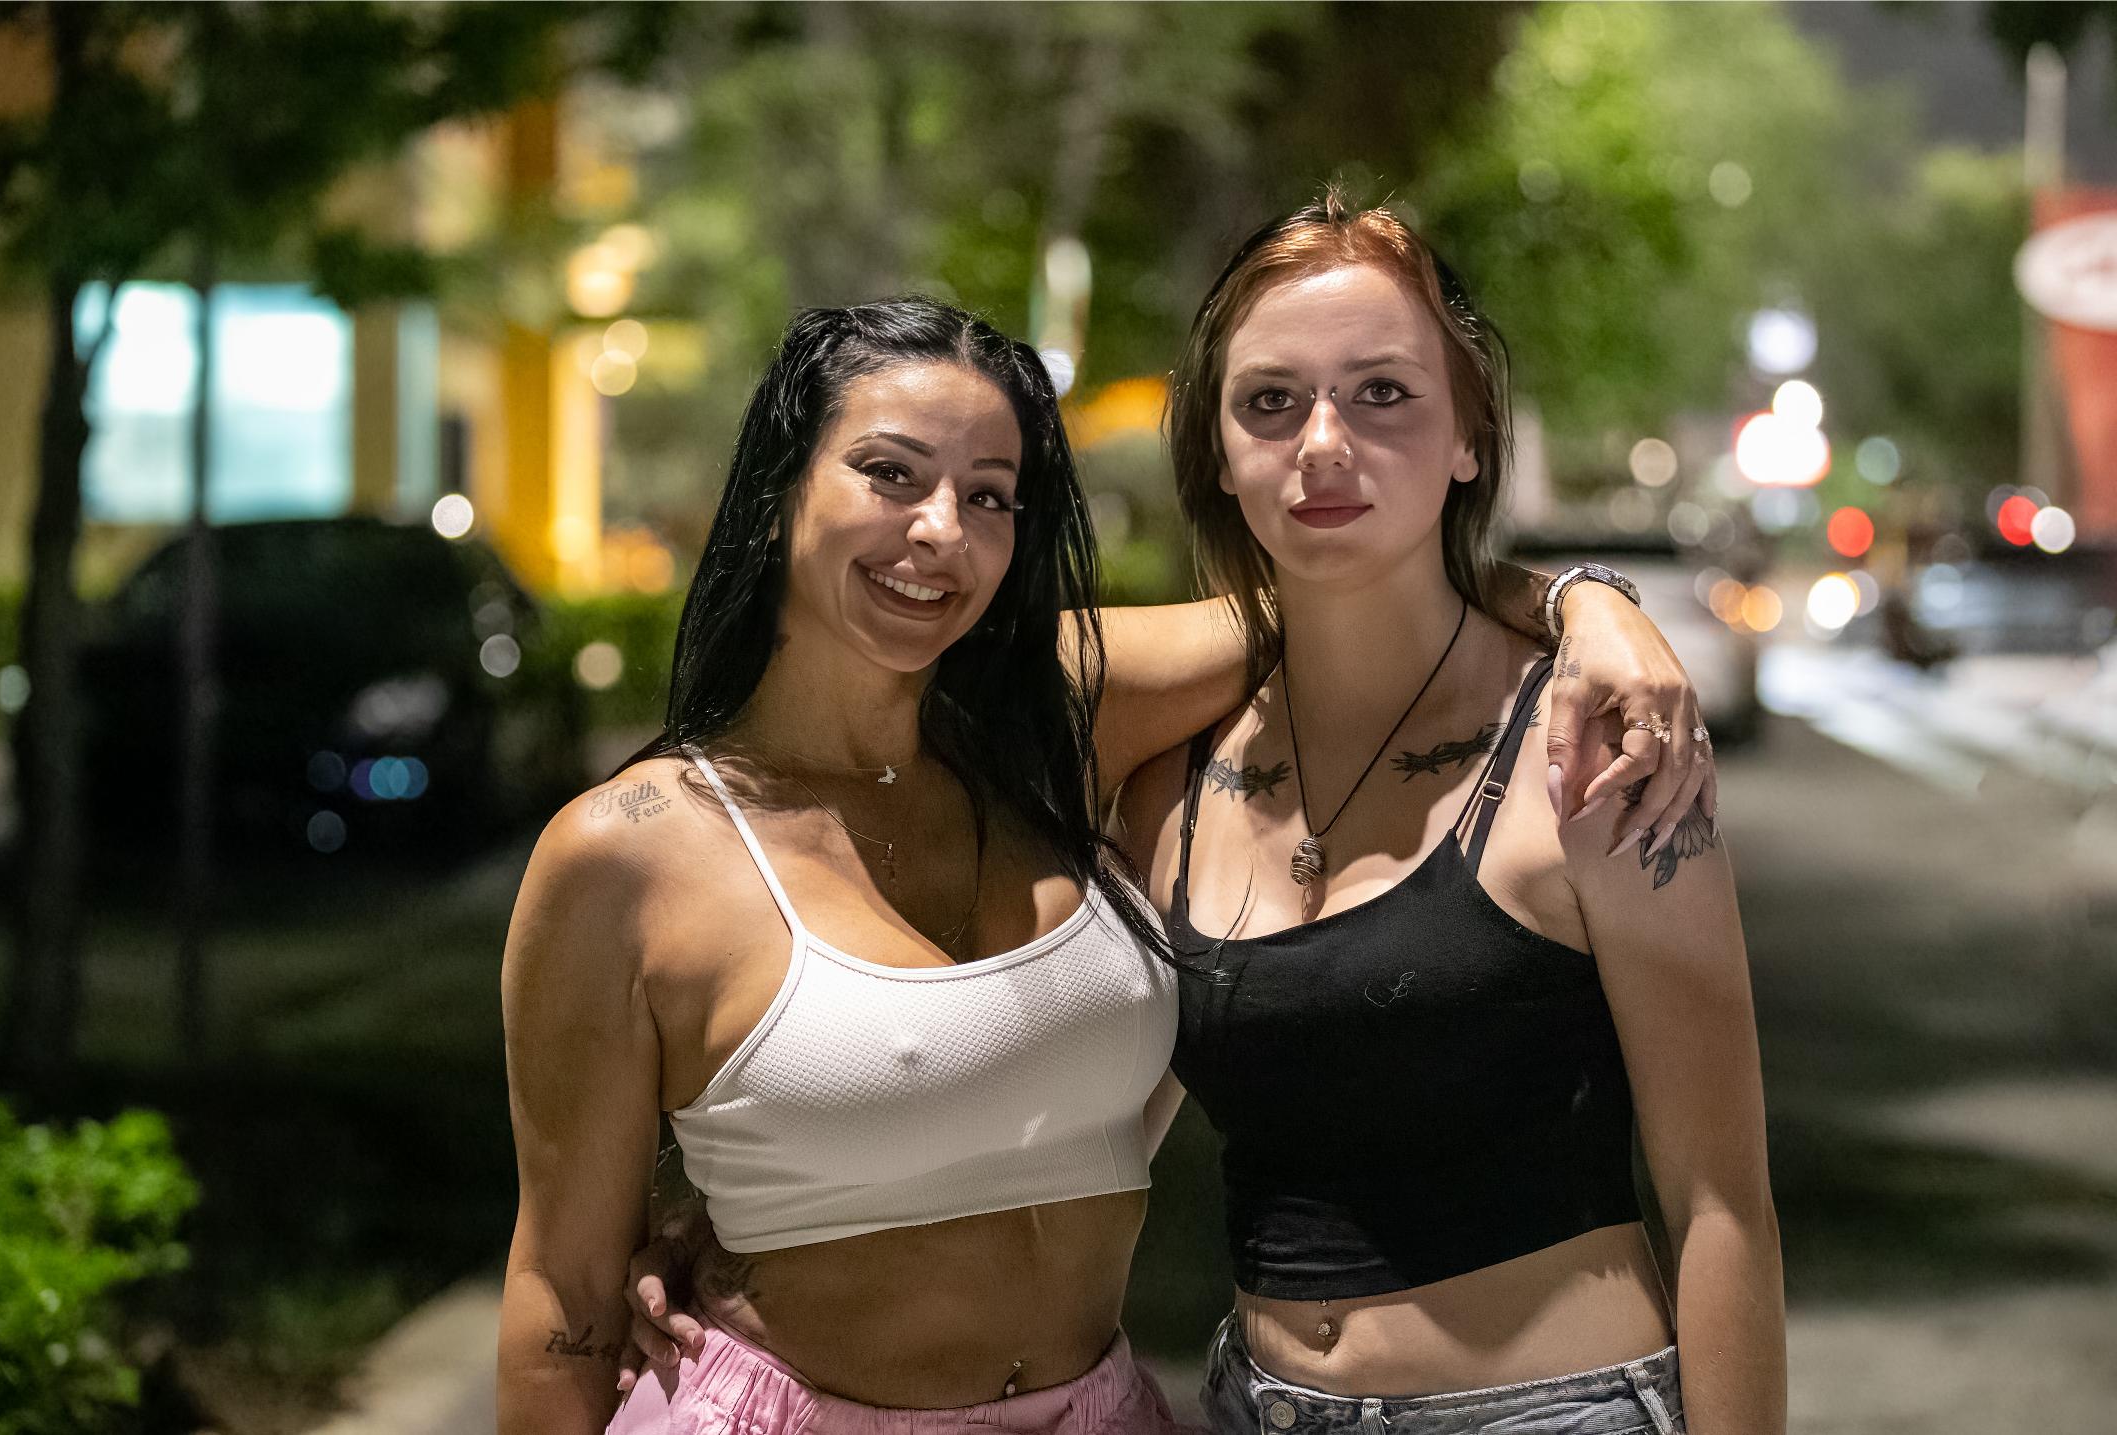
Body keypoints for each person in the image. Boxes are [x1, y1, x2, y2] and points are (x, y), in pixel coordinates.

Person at [507, 296, 1711, 1435]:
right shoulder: (632, 853)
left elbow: (1358, 588)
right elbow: (562, 1296)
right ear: (779, 492)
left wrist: (1586, 604)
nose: (941, 531)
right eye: (889, 473)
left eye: (990, 494)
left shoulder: (1058, 718)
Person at [1112, 196, 1784, 1434]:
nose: (1323, 443)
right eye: (1270, 401)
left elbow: (1721, 1207)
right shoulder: (1165, 778)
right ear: (1214, 447)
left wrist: (1585, 601)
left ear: (1470, 436)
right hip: (1255, 1404)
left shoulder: (1594, 752)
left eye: (1382, 393)